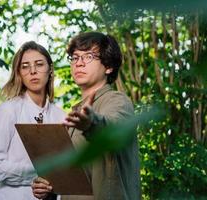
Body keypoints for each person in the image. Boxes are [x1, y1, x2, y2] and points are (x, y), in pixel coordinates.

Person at [32, 32, 141, 200]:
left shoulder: (117, 101)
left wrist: (91, 124)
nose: (79, 63)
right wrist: (48, 189)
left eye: (89, 56)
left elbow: (113, 130)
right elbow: (72, 180)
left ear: (108, 66)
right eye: (75, 58)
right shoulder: (76, 113)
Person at [0, 41, 65, 200]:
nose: (33, 71)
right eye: (25, 66)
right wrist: (36, 172)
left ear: (50, 69)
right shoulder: (8, 110)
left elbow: (64, 172)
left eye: (39, 64)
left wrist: (51, 185)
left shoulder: (61, 117)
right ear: (19, 73)